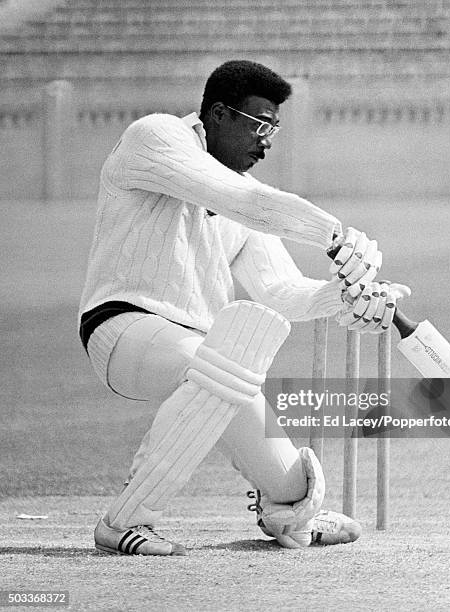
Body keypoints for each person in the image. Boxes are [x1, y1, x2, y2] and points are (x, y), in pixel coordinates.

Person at [79, 60, 409, 555]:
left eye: (274, 127)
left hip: (211, 361)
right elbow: (234, 197)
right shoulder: (155, 137)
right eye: (259, 124)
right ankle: (124, 521)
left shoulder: (244, 205)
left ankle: (288, 515)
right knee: (224, 367)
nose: (267, 141)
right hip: (122, 330)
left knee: (278, 462)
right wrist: (333, 235)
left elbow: (280, 291)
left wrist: (345, 295)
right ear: (217, 114)